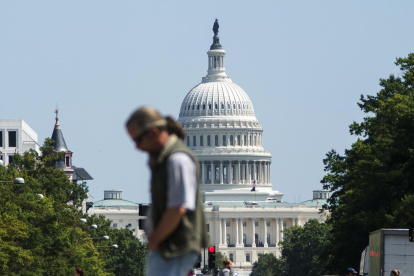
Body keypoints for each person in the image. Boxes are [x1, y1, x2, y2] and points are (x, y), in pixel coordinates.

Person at [126, 106, 209, 276]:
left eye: (138, 140)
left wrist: (155, 239)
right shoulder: (164, 159)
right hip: (168, 245)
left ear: (154, 132)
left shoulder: (177, 159)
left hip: (174, 246)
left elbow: (178, 207)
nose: (137, 147)